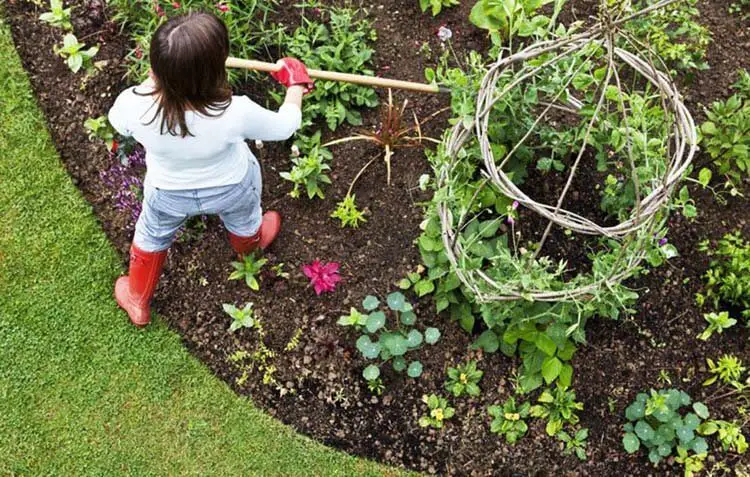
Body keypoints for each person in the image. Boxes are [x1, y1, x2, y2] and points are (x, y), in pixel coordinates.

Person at [108, 12, 313, 327]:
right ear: (218, 71)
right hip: (231, 186)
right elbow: (285, 126)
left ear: (155, 70)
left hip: (167, 192)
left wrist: (153, 82)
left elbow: (116, 121)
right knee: (244, 217)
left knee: (151, 233)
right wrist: (295, 84)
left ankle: (137, 299)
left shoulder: (135, 106)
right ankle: (251, 245)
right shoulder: (236, 111)